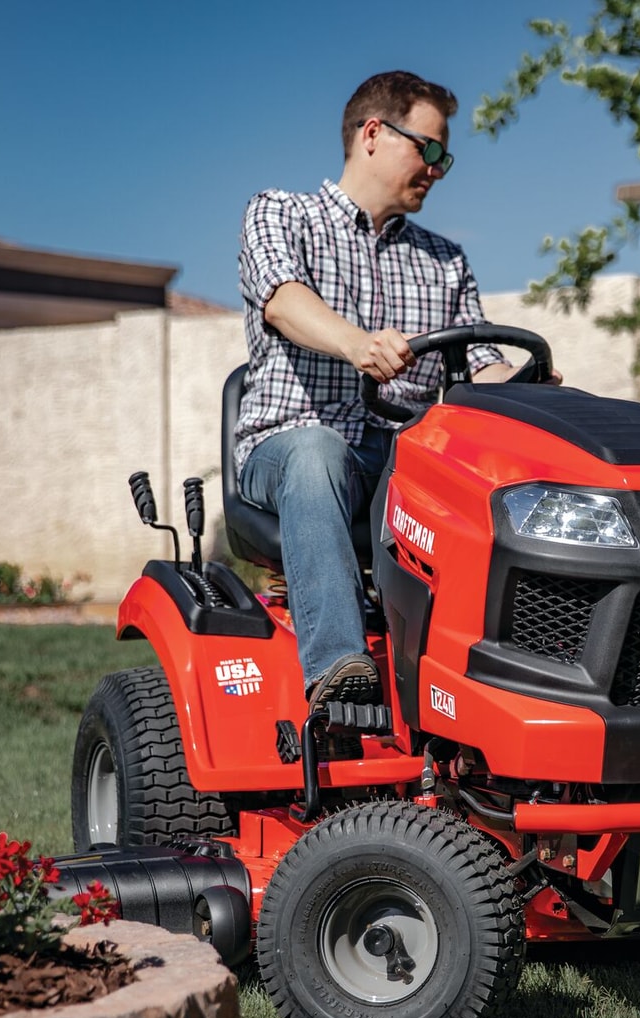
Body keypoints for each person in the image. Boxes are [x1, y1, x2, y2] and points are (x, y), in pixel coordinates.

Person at [234, 70, 530, 713]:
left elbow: (481, 364)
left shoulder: (446, 260)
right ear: (373, 133)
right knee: (318, 451)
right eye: (428, 149)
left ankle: (498, 680)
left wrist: (528, 385)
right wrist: (356, 344)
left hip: (402, 459)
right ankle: (339, 670)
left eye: (444, 156)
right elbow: (283, 302)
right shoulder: (281, 214)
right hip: (289, 447)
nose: (438, 168)